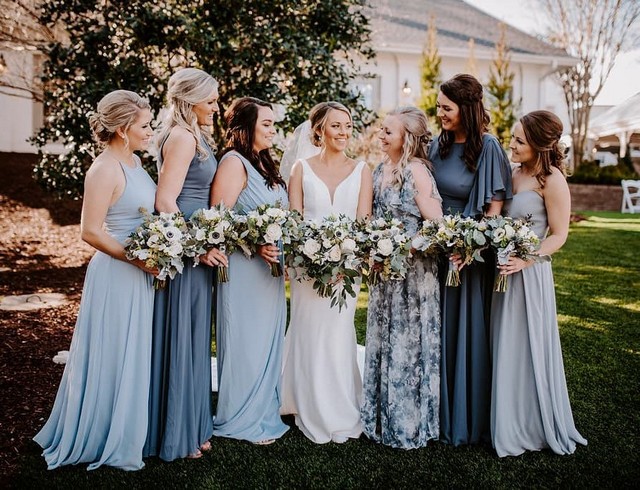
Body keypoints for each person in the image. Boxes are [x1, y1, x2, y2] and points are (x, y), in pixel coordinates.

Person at [33, 90, 158, 470]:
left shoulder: (136, 162)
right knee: (112, 351)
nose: (150, 131)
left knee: (132, 351)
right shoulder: (104, 169)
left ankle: (129, 427)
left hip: (142, 269)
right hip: (117, 273)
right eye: (145, 125)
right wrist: (135, 259)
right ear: (123, 129)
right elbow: (90, 231)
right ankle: (101, 433)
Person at [490, 110, 587, 457]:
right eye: (512, 138)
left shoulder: (552, 179)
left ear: (540, 146)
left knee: (525, 343)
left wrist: (527, 258)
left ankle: (528, 423)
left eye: (519, 141)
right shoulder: (511, 173)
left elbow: (559, 235)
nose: (511, 145)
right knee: (501, 342)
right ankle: (500, 417)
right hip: (501, 270)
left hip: (529, 274)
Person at [144, 68, 226, 461]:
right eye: (210, 100)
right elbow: (165, 201)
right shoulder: (180, 137)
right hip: (187, 253)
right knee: (183, 335)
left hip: (196, 246)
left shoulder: (194, 135)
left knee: (193, 336)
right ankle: (176, 432)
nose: (216, 106)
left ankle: (192, 424)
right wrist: (196, 248)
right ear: (190, 99)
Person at [280, 102, 373, 443]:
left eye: (348, 125)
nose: (344, 132)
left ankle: (337, 405)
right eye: (336, 126)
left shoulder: (362, 169)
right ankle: (303, 401)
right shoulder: (301, 168)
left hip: (346, 272)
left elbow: (363, 225)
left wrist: (346, 263)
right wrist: (303, 260)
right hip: (307, 269)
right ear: (318, 130)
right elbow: (295, 221)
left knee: (337, 331)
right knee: (308, 329)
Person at [428, 73, 512, 446]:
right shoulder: (437, 145)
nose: (440, 114)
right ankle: (434, 412)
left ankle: (466, 419)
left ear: (466, 108)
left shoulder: (490, 147)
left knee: (464, 331)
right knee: (436, 331)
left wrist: (469, 247)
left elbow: (494, 208)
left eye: (446, 108)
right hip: (436, 251)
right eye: (439, 107)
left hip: (469, 258)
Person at [360, 106, 442, 449]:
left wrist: (400, 250)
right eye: (382, 130)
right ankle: (378, 420)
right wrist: (373, 251)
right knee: (384, 342)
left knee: (408, 348)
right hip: (385, 277)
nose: (381, 136)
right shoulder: (381, 170)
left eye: (388, 132)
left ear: (407, 138)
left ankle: (408, 425)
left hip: (414, 277)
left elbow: (438, 227)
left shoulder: (417, 171)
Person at [211, 97, 289, 445]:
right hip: (243, 269)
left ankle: (262, 409)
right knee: (246, 341)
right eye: (267, 123)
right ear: (247, 127)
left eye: (274, 123)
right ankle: (239, 417)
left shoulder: (264, 163)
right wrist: (255, 244)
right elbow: (216, 220)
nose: (273, 129)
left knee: (266, 341)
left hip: (269, 272)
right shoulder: (233, 162)